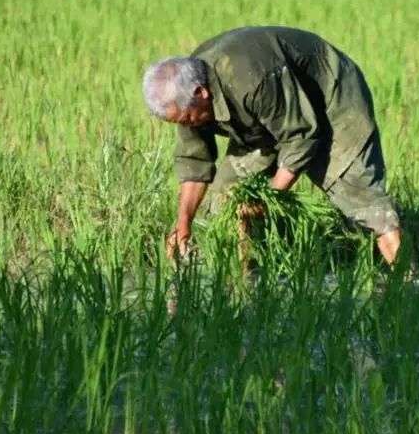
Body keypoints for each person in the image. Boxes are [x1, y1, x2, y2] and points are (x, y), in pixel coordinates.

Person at [142, 26, 402, 264]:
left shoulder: (251, 79)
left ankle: (410, 282)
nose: (187, 125)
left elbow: (301, 136)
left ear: (201, 93)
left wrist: (272, 196)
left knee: (363, 202)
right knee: (225, 202)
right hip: (269, 117)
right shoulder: (184, 97)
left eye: (187, 119)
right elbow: (194, 163)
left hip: (330, 98)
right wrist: (183, 224)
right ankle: (248, 281)